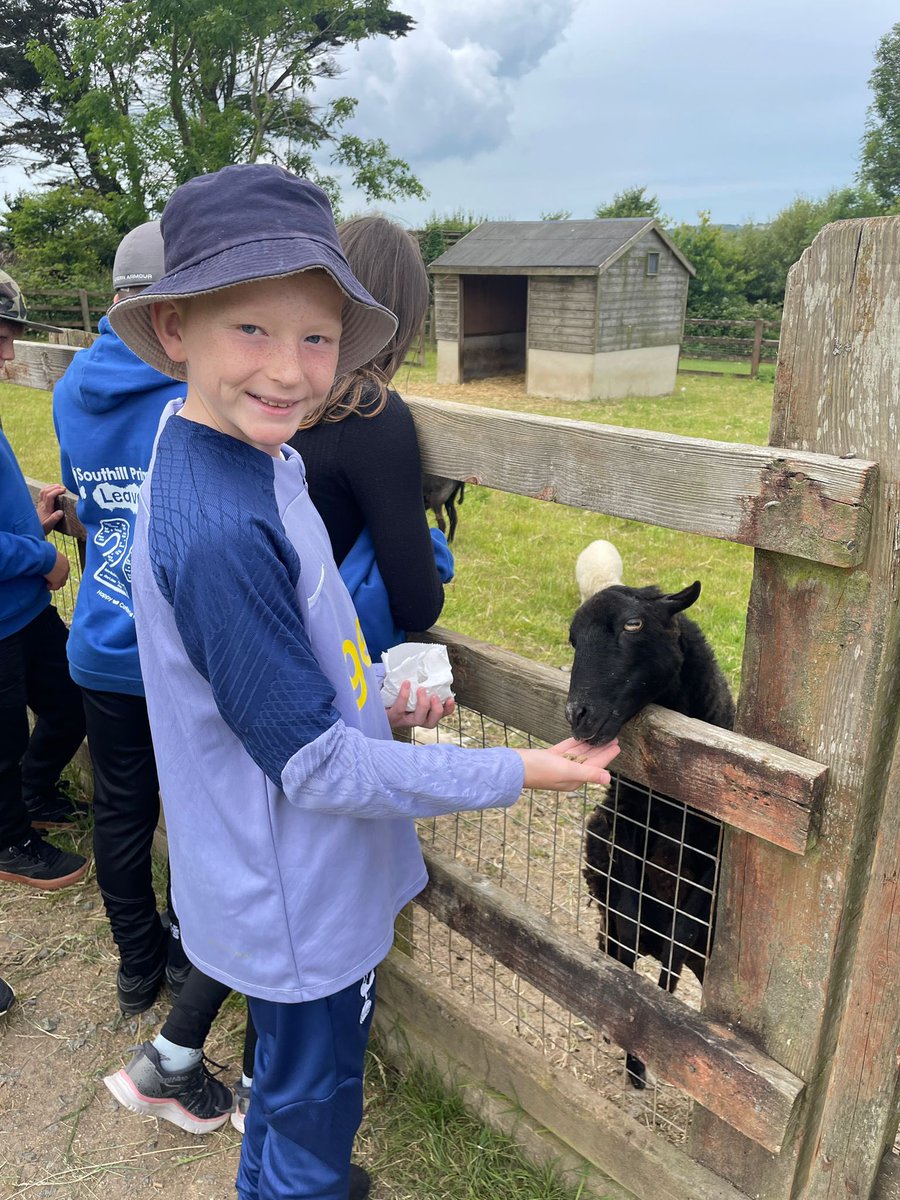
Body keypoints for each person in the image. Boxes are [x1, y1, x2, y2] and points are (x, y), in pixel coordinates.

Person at [106, 162, 619, 1200]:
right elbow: (318, 769)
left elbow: (275, 684)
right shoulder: (219, 529)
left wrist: (373, 698)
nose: (289, 369)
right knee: (313, 1102)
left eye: (317, 337)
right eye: (251, 329)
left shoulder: (253, 457)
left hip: (276, 872)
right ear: (174, 328)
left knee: (291, 1091)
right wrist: (522, 770)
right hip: (298, 896)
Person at [52, 221, 200, 1019]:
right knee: (194, 808)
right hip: (181, 645)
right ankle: (182, 950)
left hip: (103, 635)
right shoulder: (192, 383)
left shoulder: (73, 386)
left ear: (115, 296)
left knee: (120, 807)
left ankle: (135, 965)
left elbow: (83, 498)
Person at [290, 215, 451, 659]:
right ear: (401, 319)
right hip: (324, 667)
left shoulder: (274, 391)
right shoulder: (369, 412)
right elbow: (418, 604)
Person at [0, 270, 90, 1013]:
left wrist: (29, 521)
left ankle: (33, 795)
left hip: (21, 607)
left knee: (66, 700)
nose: (8, 354)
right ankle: (9, 839)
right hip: (7, 607)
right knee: (2, 734)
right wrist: (42, 556)